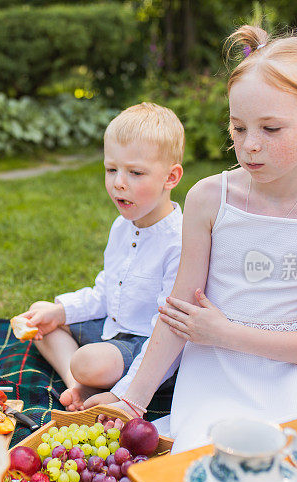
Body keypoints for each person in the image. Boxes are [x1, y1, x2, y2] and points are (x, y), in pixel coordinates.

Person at [96, 25, 297, 453]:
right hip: (215, 369)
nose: (250, 147)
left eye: (270, 129)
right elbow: (180, 311)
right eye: (238, 127)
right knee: (210, 457)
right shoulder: (209, 199)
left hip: (295, 368)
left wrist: (227, 333)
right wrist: (131, 399)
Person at [21, 103, 185, 411]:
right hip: (112, 327)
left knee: (87, 361)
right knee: (40, 318)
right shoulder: (122, 226)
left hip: (147, 348)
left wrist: (123, 394)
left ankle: (88, 380)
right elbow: (106, 293)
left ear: (171, 177)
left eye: (135, 173)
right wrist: (60, 312)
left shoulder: (179, 243)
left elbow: (169, 335)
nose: (118, 182)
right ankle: (78, 389)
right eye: (112, 169)